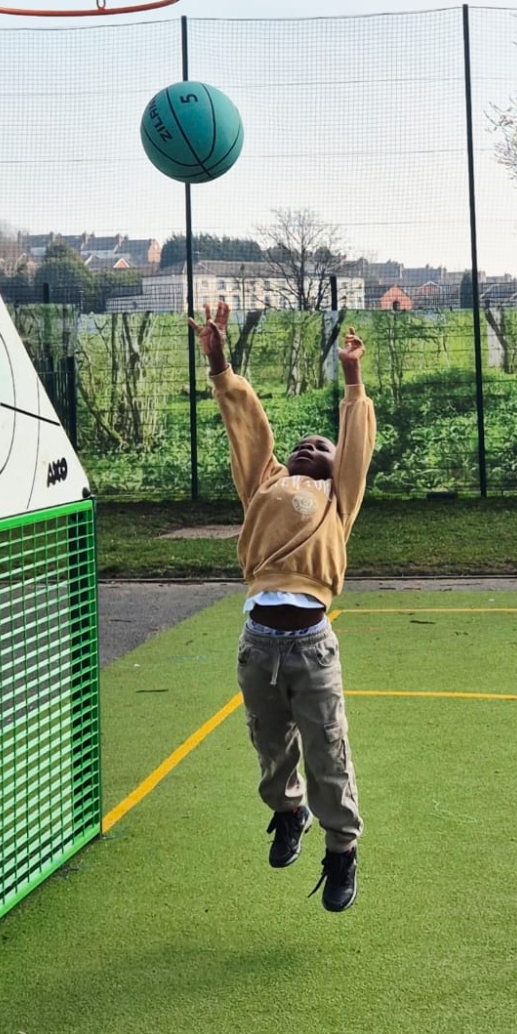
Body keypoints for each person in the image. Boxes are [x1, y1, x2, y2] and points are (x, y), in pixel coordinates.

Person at [189, 300, 376, 912]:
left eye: (321, 445)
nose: (308, 446)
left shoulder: (337, 499)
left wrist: (352, 378)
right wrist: (219, 363)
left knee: (328, 750)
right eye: (302, 443)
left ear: (336, 469)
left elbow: (356, 447)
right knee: (271, 747)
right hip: (258, 645)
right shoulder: (264, 484)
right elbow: (247, 427)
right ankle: (289, 812)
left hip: (311, 646)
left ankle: (341, 849)